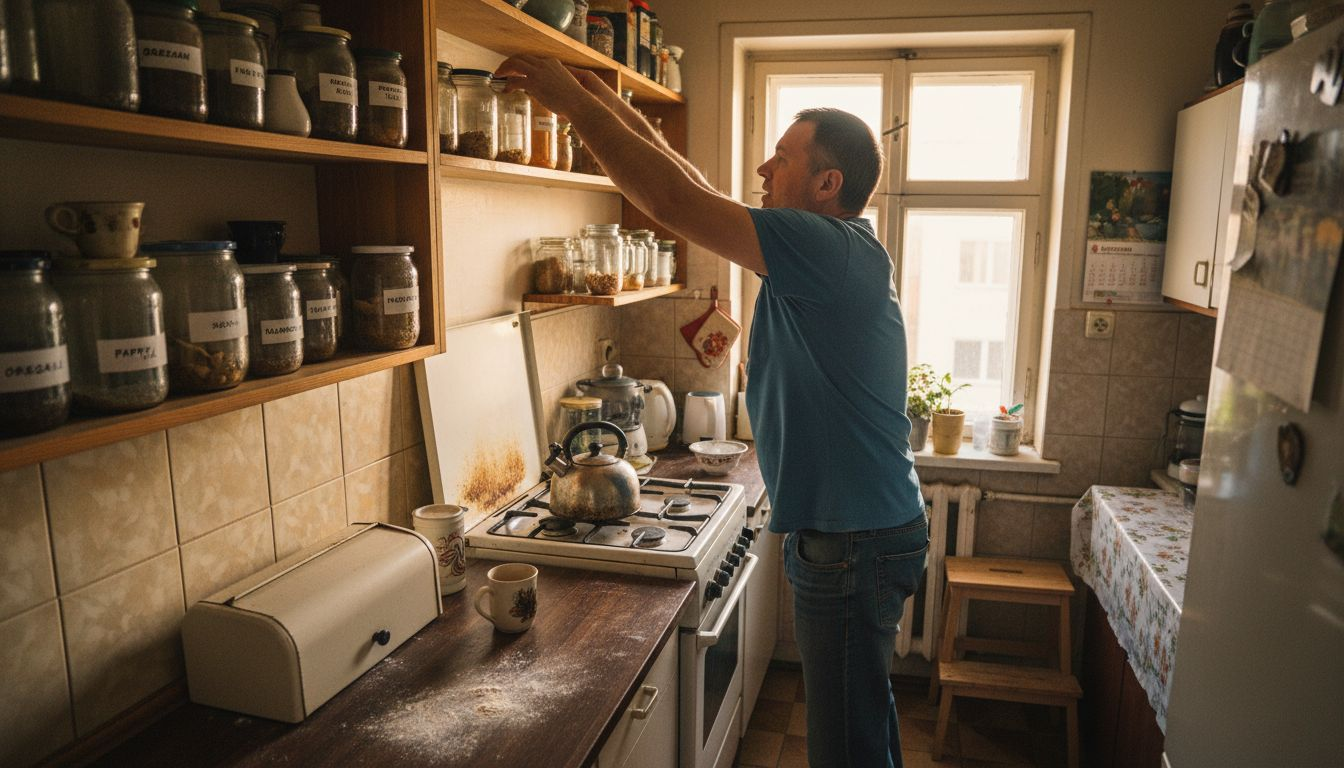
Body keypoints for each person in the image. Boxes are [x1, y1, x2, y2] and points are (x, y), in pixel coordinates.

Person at [496, 55, 928, 768]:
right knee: (860, 720)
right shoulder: (827, 251)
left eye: (782, 158)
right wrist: (613, 104)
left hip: (853, 541)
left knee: (846, 743)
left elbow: (671, 201)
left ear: (828, 184)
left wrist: (567, 98)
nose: (763, 168)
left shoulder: (826, 248)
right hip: (862, 532)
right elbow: (689, 188)